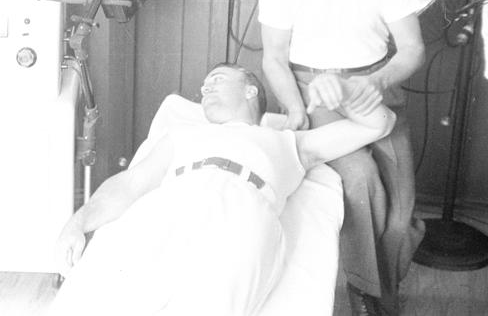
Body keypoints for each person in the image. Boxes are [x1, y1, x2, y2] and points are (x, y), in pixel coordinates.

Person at [51, 63, 396, 315]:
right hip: (174, 200)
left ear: (250, 90)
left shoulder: (289, 142)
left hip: (244, 209)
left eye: (216, 79)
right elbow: (130, 183)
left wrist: (344, 91)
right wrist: (77, 223)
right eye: (203, 86)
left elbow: (380, 124)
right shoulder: (182, 134)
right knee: (105, 297)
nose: (205, 89)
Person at [257, 0, 426, 315]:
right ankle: (367, 294)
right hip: (314, 90)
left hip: (373, 84)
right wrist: (296, 108)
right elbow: (274, 58)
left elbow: (412, 49)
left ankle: (382, 285)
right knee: (360, 179)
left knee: (401, 206)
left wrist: (377, 81)